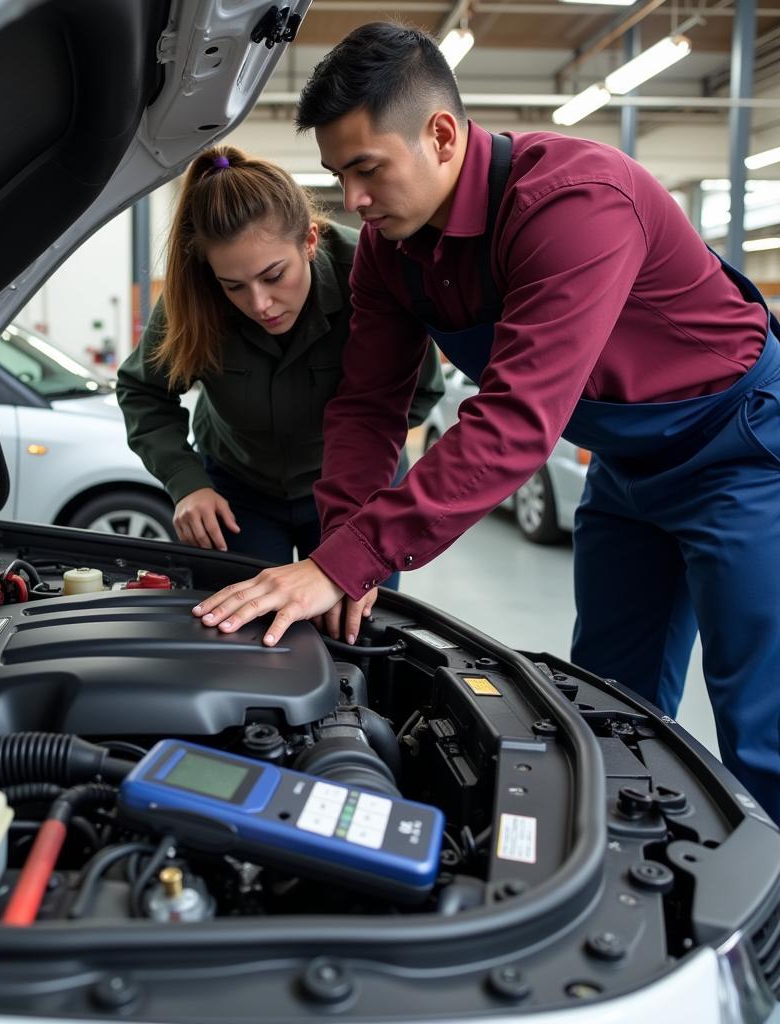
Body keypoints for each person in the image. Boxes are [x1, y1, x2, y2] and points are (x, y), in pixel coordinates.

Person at [194, 22, 780, 822]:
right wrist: (343, 557)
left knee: (762, 725)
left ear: (440, 134)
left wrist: (345, 561)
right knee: (608, 701)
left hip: (740, 449)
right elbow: (369, 407)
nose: (354, 202)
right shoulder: (388, 250)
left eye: (367, 169)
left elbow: (516, 416)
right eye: (339, 176)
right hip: (626, 464)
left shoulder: (574, 204)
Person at [117, 144, 444, 583]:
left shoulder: (370, 277)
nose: (259, 304)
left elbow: (419, 391)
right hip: (236, 493)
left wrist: (356, 467)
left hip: (357, 486)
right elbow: (143, 390)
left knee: (357, 635)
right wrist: (186, 481)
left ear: (309, 240)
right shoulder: (195, 298)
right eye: (234, 286)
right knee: (234, 632)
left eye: (274, 276)